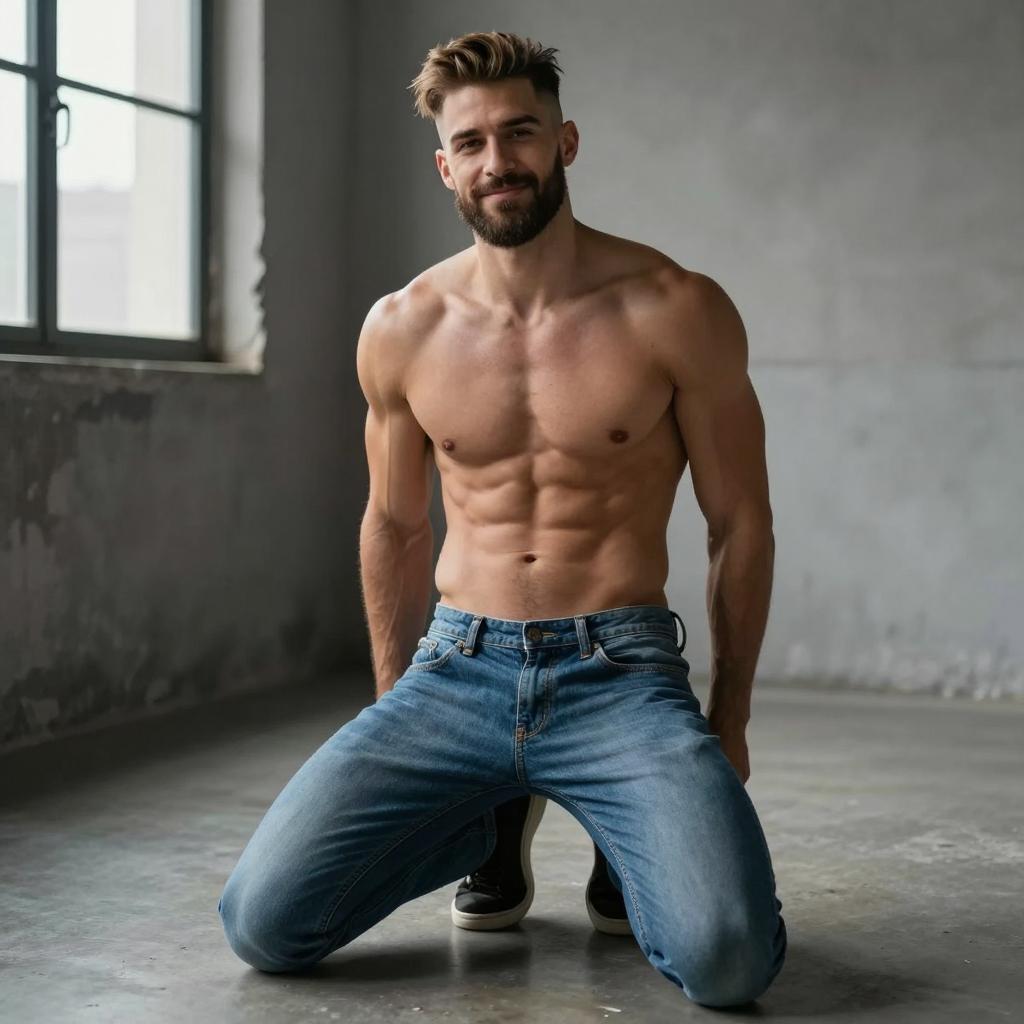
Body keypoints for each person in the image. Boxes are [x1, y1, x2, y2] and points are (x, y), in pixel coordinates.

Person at [218, 30, 787, 1008]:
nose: (497, 161)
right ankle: (488, 817)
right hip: (459, 664)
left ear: (564, 141)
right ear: (445, 165)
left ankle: (626, 833)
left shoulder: (672, 308)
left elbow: (738, 522)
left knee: (729, 961)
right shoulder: (403, 328)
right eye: (471, 143)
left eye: (519, 133)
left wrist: (728, 717)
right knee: (263, 922)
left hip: (617, 667)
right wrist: (397, 697)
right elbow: (394, 526)